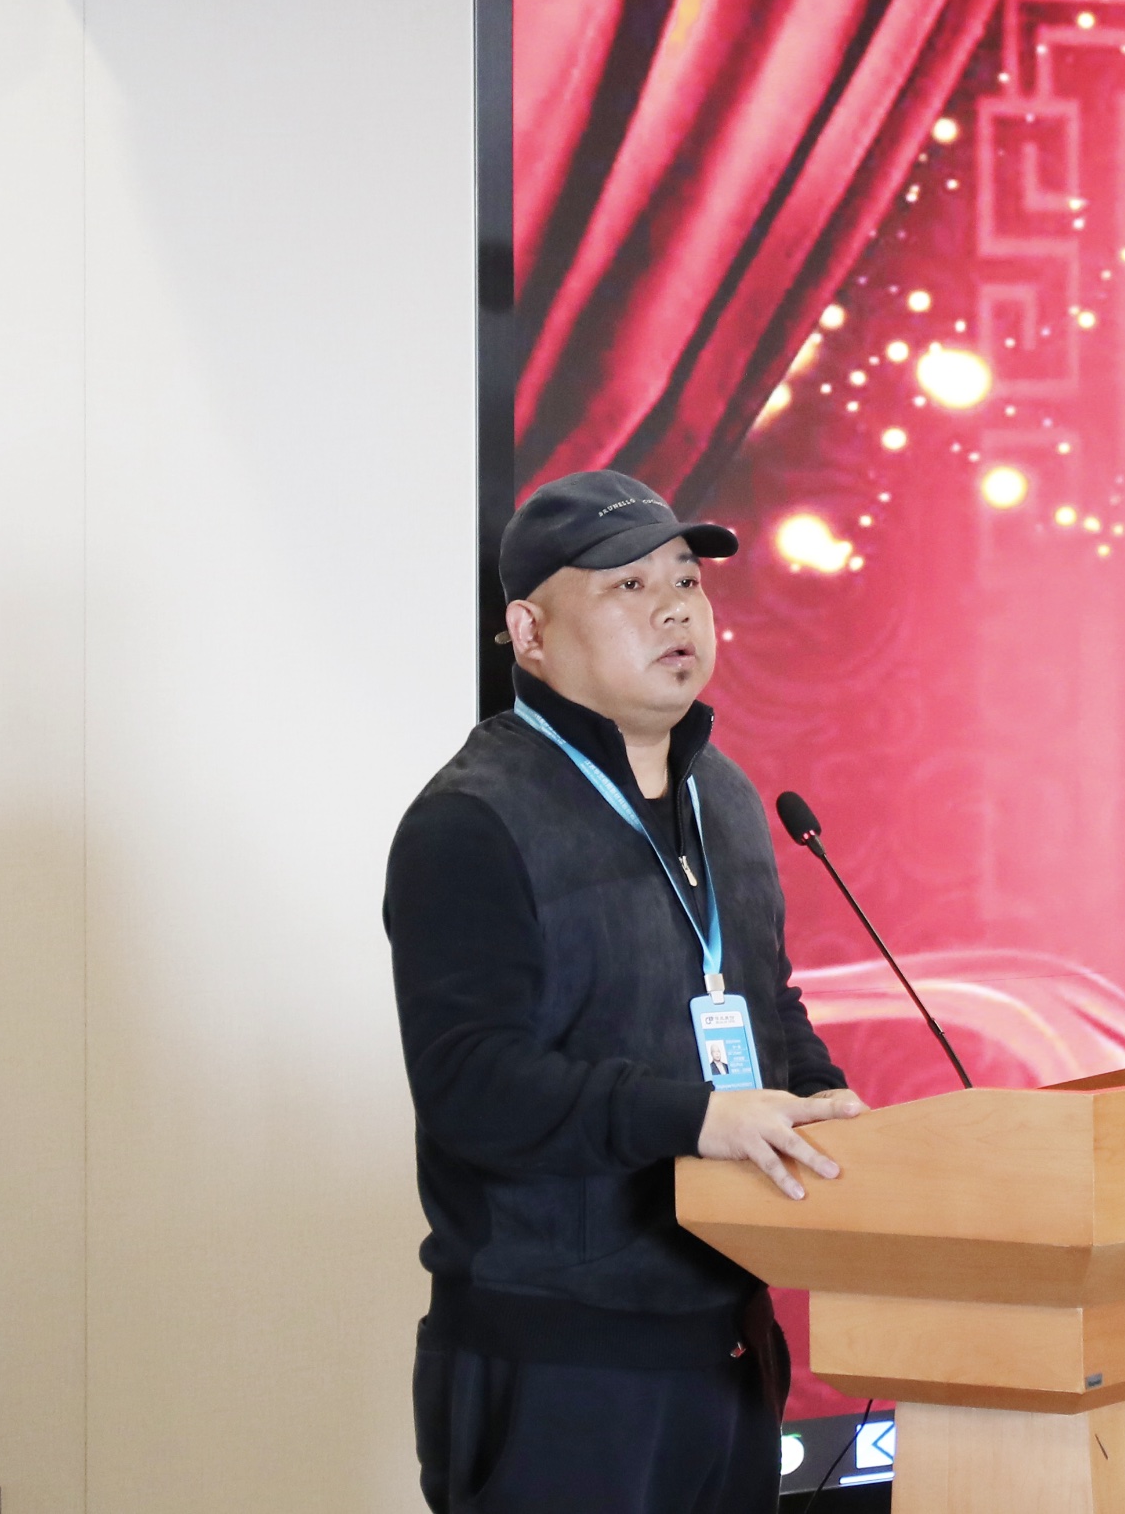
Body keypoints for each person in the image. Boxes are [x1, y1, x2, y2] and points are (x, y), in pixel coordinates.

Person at [387, 469, 868, 1513]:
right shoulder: (472, 822)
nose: (674, 610)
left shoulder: (726, 798)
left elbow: (764, 1001)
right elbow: (471, 1085)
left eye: (686, 581)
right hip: (560, 1362)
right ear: (530, 632)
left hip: (729, 1345)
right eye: (626, 586)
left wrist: (821, 1101)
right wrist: (698, 1118)